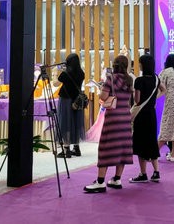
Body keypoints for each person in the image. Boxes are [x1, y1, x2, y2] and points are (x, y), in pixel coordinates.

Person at [85, 55, 134, 193]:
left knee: (106, 147)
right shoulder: (129, 80)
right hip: (125, 118)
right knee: (122, 148)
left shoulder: (110, 79)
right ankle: (117, 179)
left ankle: (100, 182)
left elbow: (103, 97)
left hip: (113, 118)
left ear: (115, 65)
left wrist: (101, 90)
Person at [129, 54, 160, 184]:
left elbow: (137, 100)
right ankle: (156, 172)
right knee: (152, 141)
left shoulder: (139, 81)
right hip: (151, 114)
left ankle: (143, 174)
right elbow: (163, 89)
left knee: (141, 143)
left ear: (143, 65)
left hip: (141, 115)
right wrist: (153, 99)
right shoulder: (156, 79)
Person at [56, 53, 85, 158]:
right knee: (76, 123)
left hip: (66, 100)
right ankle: (76, 148)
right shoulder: (81, 73)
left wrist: (64, 69)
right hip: (77, 101)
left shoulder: (65, 74)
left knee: (66, 124)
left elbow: (58, 80)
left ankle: (66, 149)